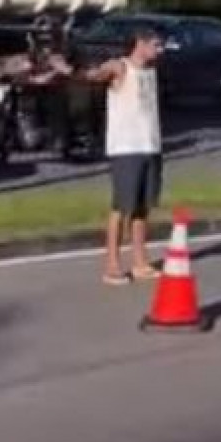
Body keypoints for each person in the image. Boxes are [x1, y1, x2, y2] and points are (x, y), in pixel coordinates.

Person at [75, 28, 165, 285]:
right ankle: (112, 265)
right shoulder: (120, 67)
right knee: (121, 207)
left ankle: (140, 262)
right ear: (141, 43)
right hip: (126, 148)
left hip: (150, 145)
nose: (159, 51)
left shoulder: (150, 72)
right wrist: (80, 71)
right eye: (156, 45)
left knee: (142, 209)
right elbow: (96, 75)